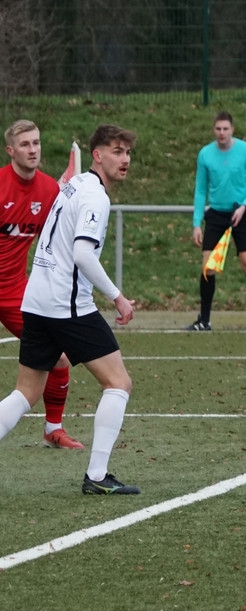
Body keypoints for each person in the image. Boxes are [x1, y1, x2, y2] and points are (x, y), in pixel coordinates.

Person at [0, 124, 141, 494]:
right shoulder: (95, 197)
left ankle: (92, 470)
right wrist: (117, 296)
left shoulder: (75, 184)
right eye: (116, 151)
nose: (124, 159)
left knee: (25, 393)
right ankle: (97, 476)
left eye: (127, 152)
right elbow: (82, 253)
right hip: (66, 305)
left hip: (35, 300)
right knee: (119, 383)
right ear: (97, 155)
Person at [0, 120, 86, 449]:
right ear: (11, 150)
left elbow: (57, 242)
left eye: (36, 143)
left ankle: (53, 429)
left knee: (59, 356)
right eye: (25, 144)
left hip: (15, 292)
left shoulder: (49, 190)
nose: (33, 149)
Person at [187, 111, 246, 331]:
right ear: (213, 130)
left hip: (241, 213)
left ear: (232, 129)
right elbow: (200, 190)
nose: (221, 133)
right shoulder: (205, 154)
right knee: (208, 267)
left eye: (225, 129)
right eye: (218, 129)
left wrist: (244, 206)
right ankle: (204, 320)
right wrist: (196, 223)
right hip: (216, 215)